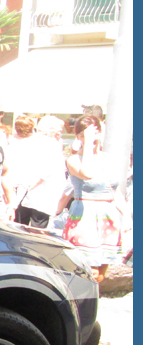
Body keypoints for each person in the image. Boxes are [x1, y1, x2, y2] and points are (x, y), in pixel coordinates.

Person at [63, 114, 128, 283]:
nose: (92, 137)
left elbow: (115, 190)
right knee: (89, 271)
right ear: (78, 136)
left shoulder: (108, 159)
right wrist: (88, 144)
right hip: (85, 217)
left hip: (107, 216)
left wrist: (127, 216)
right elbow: (87, 173)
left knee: (101, 273)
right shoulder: (74, 159)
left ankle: (91, 303)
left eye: (95, 132)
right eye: (85, 134)